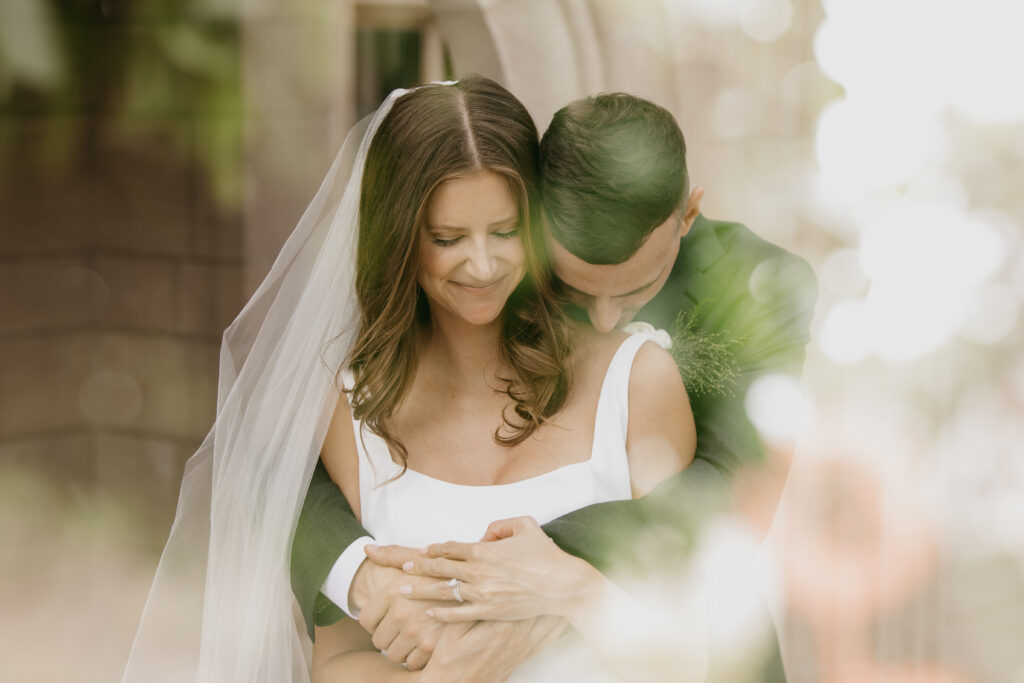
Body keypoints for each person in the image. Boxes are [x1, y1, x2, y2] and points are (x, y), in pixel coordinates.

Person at [291, 91, 816, 680]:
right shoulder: (353, 406)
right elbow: (278, 481)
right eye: (448, 237)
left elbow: (722, 497)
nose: (604, 319)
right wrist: (367, 583)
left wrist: (554, 587)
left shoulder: (658, 361)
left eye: (505, 230)